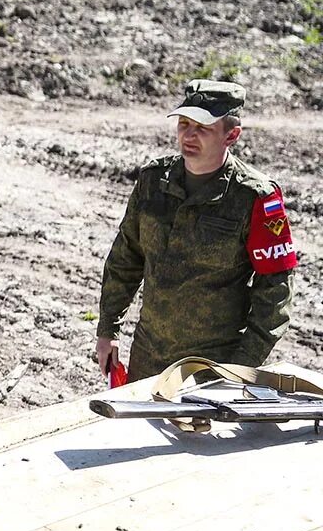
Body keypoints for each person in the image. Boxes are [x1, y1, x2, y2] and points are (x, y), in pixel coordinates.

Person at [95, 79, 297, 384]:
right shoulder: (153, 180)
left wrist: (240, 368)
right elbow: (126, 258)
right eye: (184, 123)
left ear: (232, 135)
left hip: (211, 367)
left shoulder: (255, 198)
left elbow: (276, 292)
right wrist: (108, 329)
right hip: (147, 357)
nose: (189, 135)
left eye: (203, 127)